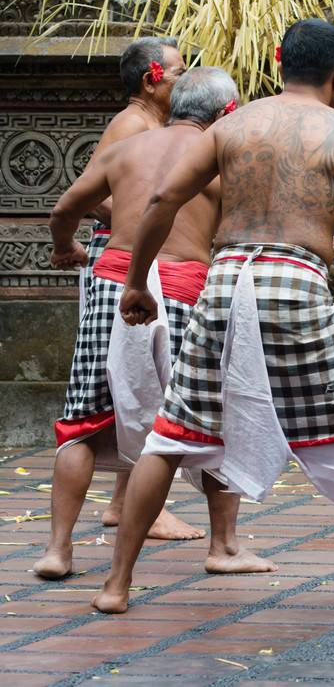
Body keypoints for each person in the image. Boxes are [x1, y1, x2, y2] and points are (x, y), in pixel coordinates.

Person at [91, 19, 334, 617]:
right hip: (296, 286)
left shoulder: (232, 124)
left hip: (223, 283)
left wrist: (136, 282)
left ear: (275, 59)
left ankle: (115, 586)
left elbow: (162, 200)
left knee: (172, 436)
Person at [41, 67, 272, 582]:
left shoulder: (126, 150)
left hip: (115, 282)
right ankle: (225, 547)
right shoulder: (222, 161)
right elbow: (254, 230)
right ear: (226, 113)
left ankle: (58, 550)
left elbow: (63, 209)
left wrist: (65, 247)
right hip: (189, 285)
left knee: (83, 419)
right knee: (212, 416)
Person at [50, 35, 201, 545]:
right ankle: (145, 510)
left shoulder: (154, 126)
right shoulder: (132, 125)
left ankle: (122, 503)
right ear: (150, 80)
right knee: (130, 384)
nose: (183, 78)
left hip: (140, 263)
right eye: (178, 71)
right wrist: (148, 218)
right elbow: (91, 195)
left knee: (127, 386)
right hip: (126, 264)